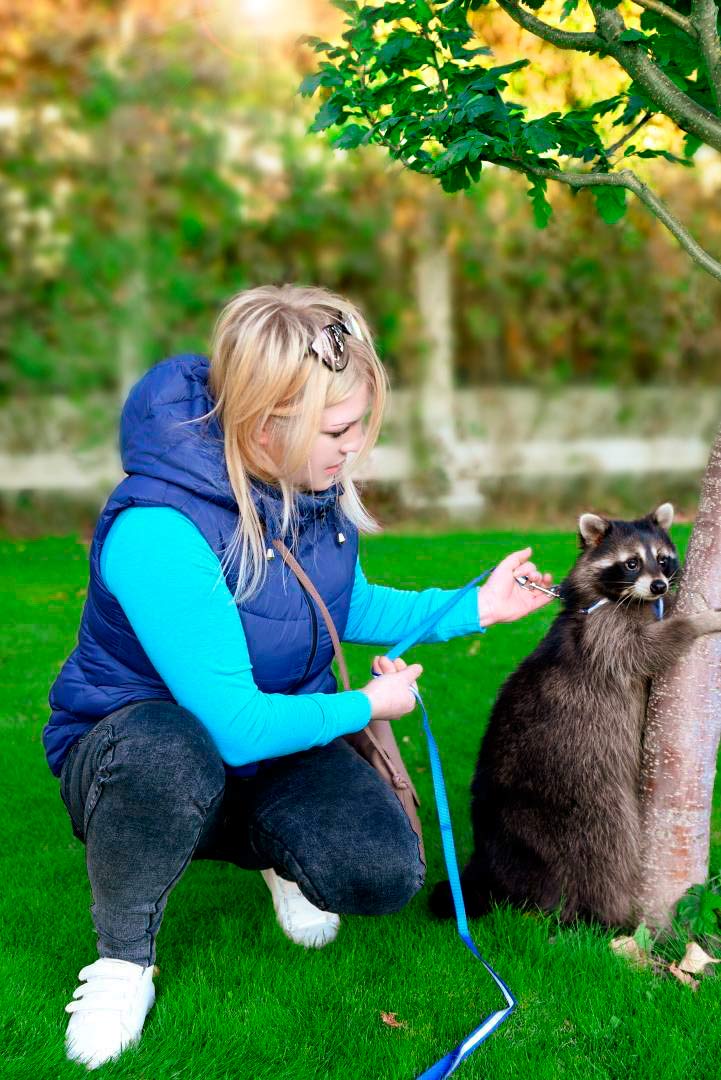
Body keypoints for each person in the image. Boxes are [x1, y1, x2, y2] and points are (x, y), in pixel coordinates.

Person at [44, 283, 554, 1070]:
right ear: (264, 423)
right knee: (170, 755)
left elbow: (332, 604)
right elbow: (231, 727)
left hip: (266, 736)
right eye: (340, 429)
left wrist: (474, 606)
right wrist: (366, 704)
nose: (356, 449)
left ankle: (274, 855)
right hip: (139, 746)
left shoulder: (300, 487)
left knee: (382, 872)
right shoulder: (158, 532)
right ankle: (123, 960)